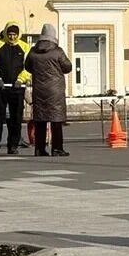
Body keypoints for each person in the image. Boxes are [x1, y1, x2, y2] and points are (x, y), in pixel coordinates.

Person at [25, 24, 73, 157]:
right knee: (56, 120)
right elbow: (67, 67)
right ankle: (57, 148)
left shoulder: (33, 52)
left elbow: (27, 67)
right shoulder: (58, 51)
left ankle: (39, 149)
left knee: (40, 120)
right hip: (55, 90)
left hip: (39, 90)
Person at [0, 22, 32, 154]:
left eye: (14, 34)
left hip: (17, 88)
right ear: (5, 33)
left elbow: (29, 66)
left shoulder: (25, 47)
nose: (12, 37)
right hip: (2, 87)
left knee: (16, 118)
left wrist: (21, 79)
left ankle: (13, 145)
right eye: (10, 34)